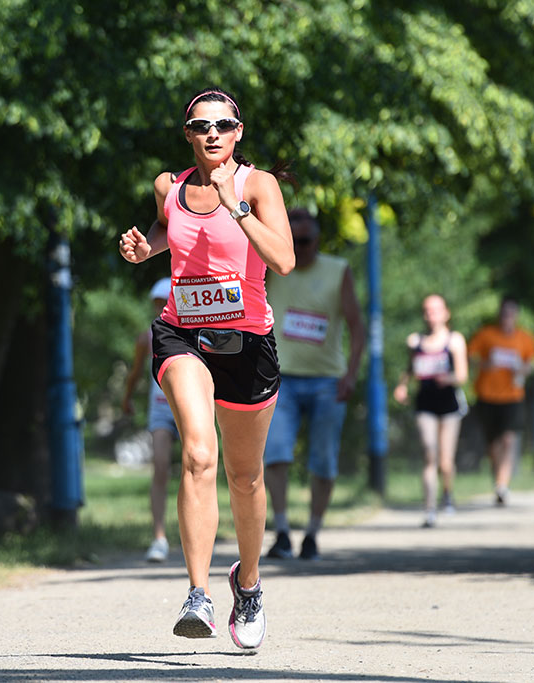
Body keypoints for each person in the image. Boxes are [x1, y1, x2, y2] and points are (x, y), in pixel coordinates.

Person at [118, 86, 294, 650]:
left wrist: (234, 204)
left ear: (238, 132)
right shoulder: (168, 187)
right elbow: (175, 237)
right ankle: (197, 595)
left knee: (245, 477)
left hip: (246, 341)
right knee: (198, 453)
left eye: (222, 125)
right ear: (187, 135)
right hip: (182, 332)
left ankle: (248, 583)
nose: (211, 133)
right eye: (200, 126)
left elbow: (284, 260)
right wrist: (145, 251)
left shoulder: (257, 185)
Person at [262, 208, 366, 560]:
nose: (300, 247)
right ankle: (281, 531)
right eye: (294, 241)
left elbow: (357, 327)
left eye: (305, 241)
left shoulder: (338, 270)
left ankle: (312, 534)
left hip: (326, 381)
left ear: (317, 240)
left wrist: (350, 375)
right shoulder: (273, 268)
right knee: (275, 453)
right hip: (281, 379)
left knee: (323, 459)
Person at [393, 294, 468, 528]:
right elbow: (410, 368)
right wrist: (402, 385)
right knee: (429, 453)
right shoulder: (414, 341)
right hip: (424, 404)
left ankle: (447, 492)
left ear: (446, 313)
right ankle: (429, 509)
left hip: (449, 405)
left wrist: (448, 378)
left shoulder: (455, 341)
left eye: (436, 310)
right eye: (427, 310)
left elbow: (462, 375)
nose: (431, 314)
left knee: (445, 461)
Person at [121, 278, 181, 563]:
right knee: (160, 467)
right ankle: (159, 537)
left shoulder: (192, 332)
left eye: (165, 303)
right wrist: (127, 398)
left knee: (198, 468)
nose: (161, 308)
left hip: (190, 408)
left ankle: (198, 532)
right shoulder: (147, 337)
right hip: (160, 409)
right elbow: (134, 373)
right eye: (157, 304)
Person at [468, 299, 534, 506]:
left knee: (508, 439)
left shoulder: (525, 338)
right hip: (487, 395)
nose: (507, 317)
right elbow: (470, 357)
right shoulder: (486, 334)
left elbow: (530, 364)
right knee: (493, 443)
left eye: (511, 313)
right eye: (504, 313)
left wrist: (521, 370)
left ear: (516, 315)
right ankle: (498, 476)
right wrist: (484, 363)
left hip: (513, 396)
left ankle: (502, 484)